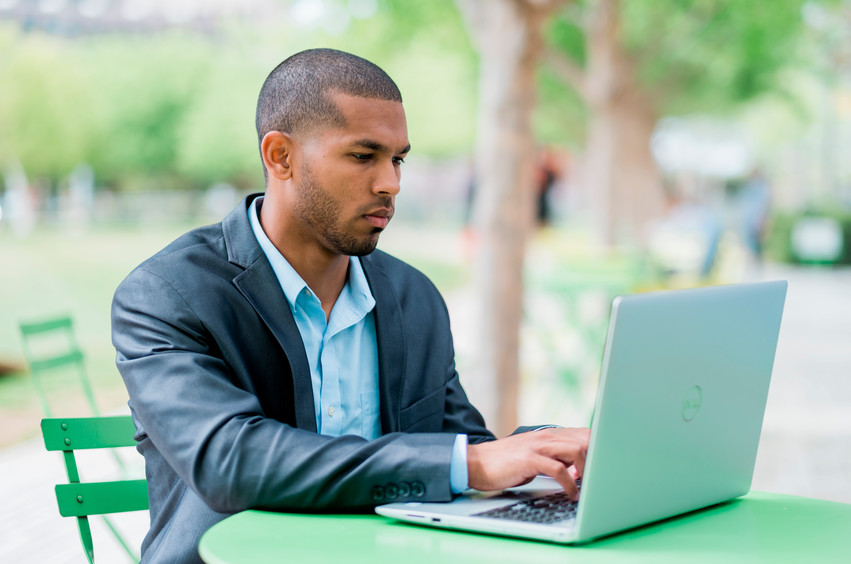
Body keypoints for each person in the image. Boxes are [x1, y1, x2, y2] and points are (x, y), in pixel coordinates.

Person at [111, 48, 589, 563]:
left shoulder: (414, 295)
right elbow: (232, 461)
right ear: (281, 157)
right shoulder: (167, 294)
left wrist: (546, 449)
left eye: (397, 158)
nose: (391, 183)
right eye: (364, 156)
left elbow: (460, 445)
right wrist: (470, 463)